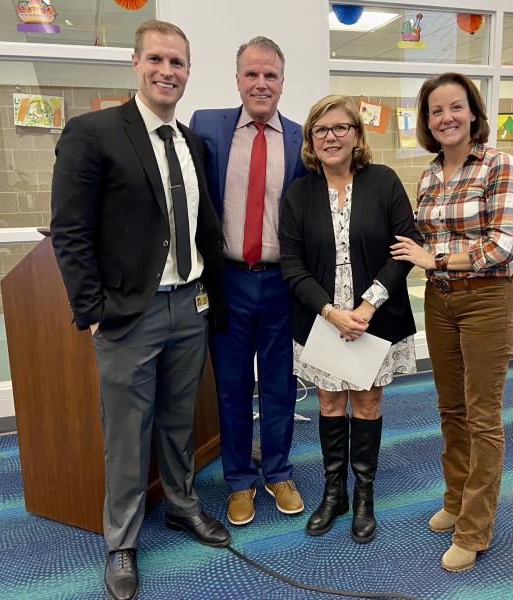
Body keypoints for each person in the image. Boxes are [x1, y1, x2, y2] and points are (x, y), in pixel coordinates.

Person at [51, 20, 230, 600]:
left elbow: (203, 227)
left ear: (187, 71)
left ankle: (181, 506)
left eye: (177, 63)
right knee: (127, 433)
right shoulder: (94, 133)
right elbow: (70, 231)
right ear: (135, 63)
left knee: (180, 420)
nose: (167, 71)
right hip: (130, 314)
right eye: (156, 59)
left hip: (190, 305)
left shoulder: (193, 143)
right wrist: (93, 310)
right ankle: (121, 543)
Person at [391, 72, 513, 572]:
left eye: (455, 107)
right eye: (435, 110)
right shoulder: (427, 176)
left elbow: (500, 246)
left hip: (487, 300)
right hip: (440, 303)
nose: (445, 118)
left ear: (473, 113)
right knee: (450, 410)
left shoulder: (497, 164)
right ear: (426, 121)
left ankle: (475, 527)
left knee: (482, 416)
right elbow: (415, 245)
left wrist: (436, 260)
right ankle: (455, 499)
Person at [279, 95, 420, 543]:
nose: (331, 137)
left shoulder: (383, 181)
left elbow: (406, 247)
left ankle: (364, 497)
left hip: (373, 320)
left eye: (340, 128)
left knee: (367, 405)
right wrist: (330, 312)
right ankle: (333, 493)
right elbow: (292, 266)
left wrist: (366, 306)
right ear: (310, 141)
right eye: (321, 130)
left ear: (357, 134)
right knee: (329, 405)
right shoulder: (299, 192)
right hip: (322, 321)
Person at [189, 37, 308, 527]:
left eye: (271, 75)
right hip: (229, 281)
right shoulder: (206, 126)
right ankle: (239, 480)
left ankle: (278, 471)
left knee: (280, 385)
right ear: (237, 79)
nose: (261, 84)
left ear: (283, 81)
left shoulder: (303, 138)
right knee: (233, 388)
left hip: (283, 283)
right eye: (252, 74)